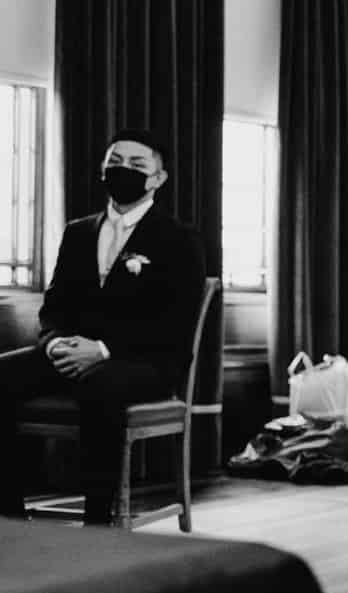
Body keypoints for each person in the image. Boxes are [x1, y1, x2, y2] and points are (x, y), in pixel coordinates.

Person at [0, 129, 205, 524]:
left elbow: (175, 322)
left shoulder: (180, 239)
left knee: (101, 385)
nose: (122, 170)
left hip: (146, 361)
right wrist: (56, 341)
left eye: (136, 165)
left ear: (158, 179)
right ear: (101, 171)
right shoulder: (78, 232)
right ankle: (9, 512)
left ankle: (97, 520)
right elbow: (55, 305)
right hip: (72, 352)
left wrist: (104, 349)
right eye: (114, 162)